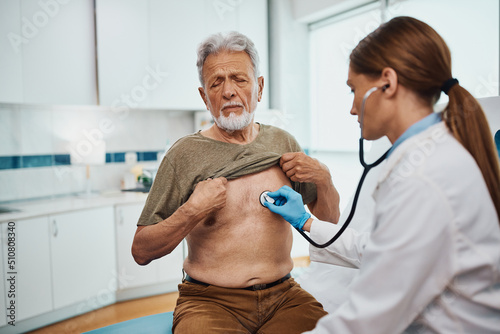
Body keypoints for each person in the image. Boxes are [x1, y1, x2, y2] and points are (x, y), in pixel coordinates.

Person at [265, 16, 500, 333]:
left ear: (387, 83)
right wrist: (305, 221)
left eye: (353, 90)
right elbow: (378, 249)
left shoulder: (424, 177)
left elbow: (368, 319)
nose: (351, 108)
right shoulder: (429, 157)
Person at [131, 31, 340, 333]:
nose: (229, 91)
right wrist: (192, 211)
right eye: (216, 82)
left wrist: (325, 179)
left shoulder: (284, 142)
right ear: (205, 97)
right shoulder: (183, 154)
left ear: (259, 88)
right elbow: (141, 251)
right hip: (209, 301)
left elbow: (329, 222)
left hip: (284, 296)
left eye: (240, 79)